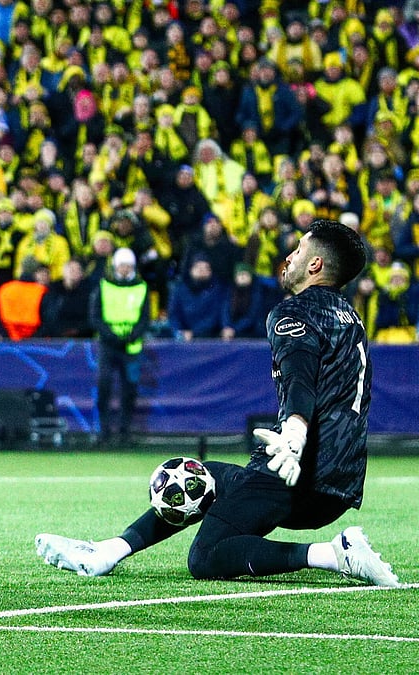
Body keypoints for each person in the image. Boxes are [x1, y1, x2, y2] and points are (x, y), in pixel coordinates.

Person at [36, 220, 399, 589]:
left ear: (315, 265)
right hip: (342, 479)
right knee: (199, 477)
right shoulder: (349, 316)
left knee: (207, 557)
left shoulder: (294, 312)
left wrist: (294, 431)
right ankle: (109, 551)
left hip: (299, 467)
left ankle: (335, 554)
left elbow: (299, 377)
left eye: (299, 250)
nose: (288, 256)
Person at [90, 247, 150, 445]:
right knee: (104, 385)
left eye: (128, 266)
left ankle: (125, 431)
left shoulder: (141, 287)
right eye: (122, 265)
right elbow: (95, 315)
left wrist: (133, 335)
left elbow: (145, 317)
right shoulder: (104, 285)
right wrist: (111, 335)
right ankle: (104, 430)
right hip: (108, 345)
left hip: (131, 347)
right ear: (116, 266)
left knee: (130, 389)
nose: (124, 269)